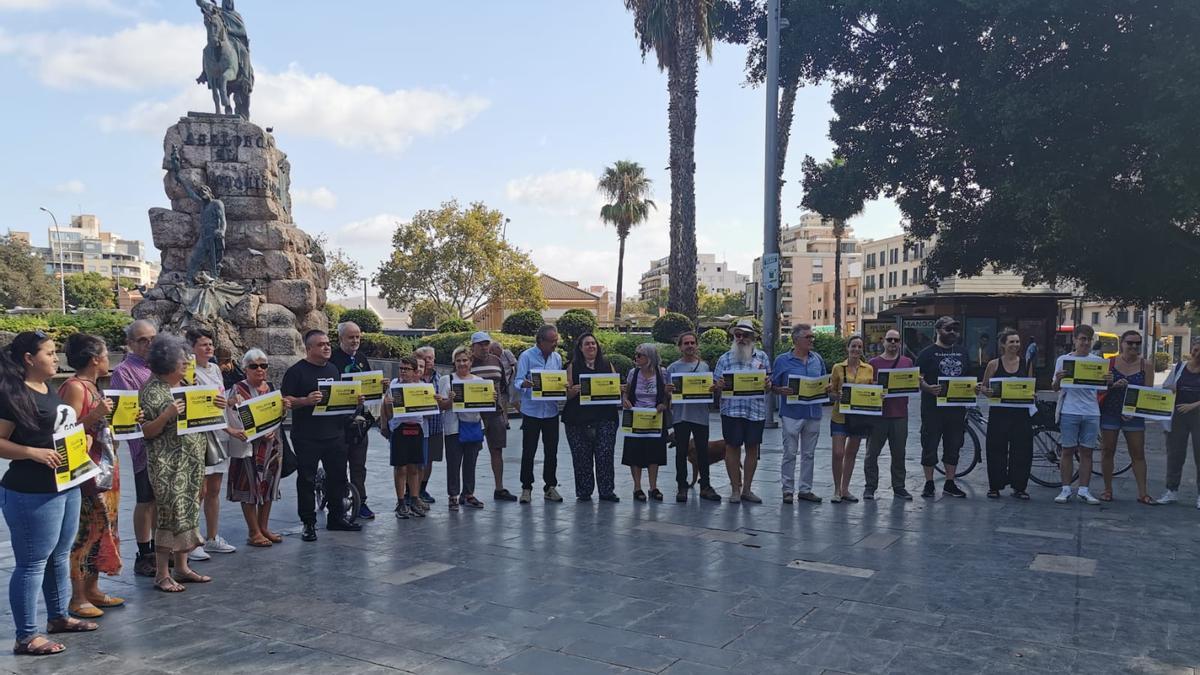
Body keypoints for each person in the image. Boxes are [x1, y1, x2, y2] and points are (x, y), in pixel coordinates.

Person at [1, 332, 99, 655]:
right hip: (32, 491)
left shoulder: (50, 389)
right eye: (49, 353)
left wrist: (79, 441)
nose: (56, 358)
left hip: (66, 483)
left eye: (55, 352)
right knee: (32, 563)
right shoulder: (12, 394)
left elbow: (57, 431)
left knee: (59, 555)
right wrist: (32, 452)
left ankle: (58, 616)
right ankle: (26, 635)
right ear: (29, 359)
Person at [140, 334, 219, 591]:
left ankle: (183, 567)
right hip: (167, 465)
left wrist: (219, 404)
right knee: (169, 515)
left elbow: (206, 417)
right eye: (182, 361)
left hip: (191, 461)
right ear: (168, 364)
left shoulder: (185, 385)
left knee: (188, 511)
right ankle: (163, 573)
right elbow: (147, 431)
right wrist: (167, 414)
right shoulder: (152, 391)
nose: (187, 365)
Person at [58, 335, 122, 619]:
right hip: (87, 471)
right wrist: (95, 414)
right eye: (106, 354)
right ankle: (78, 596)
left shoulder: (93, 386)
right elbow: (66, 431)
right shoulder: (73, 387)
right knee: (87, 531)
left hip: (105, 466)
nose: (109, 359)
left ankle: (93, 588)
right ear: (95, 359)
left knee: (103, 529)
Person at [281, 329, 362, 542]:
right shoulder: (296, 372)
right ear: (308, 349)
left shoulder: (333, 369)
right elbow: (285, 400)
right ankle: (308, 523)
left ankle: (337, 517)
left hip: (334, 433)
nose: (327, 347)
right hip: (307, 436)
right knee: (307, 479)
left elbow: (338, 399)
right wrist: (305, 401)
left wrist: (354, 401)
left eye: (327, 343)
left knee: (338, 477)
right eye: (321, 345)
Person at [223, 349, 289, 546]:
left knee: (268, 485)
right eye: (254, 366)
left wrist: (282, 411)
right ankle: (253, 531)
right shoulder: (237, 389)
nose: (259, 369)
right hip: (248, 446)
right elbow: (234, 416)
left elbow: (277, 415)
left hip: (271, 444)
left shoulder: (269, 387)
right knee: (249, 487)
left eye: (263, 365)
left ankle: (263, 527)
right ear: (245, 369)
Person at [108, 318, 158, 577]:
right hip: (144, 446)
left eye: (152, 338)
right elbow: (128, 411)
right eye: (142, 340)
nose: (149, 344)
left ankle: (162, 549)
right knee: (146, 500)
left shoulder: (161, 365)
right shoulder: (124, 371)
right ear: (130, 344)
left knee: (161, 500)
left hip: (166, 444)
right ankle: (144, 551)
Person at [183, 327, 235, 562]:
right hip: (200, 433)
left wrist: (228, 402)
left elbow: (220, 398)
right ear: (192, 348)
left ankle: (212, 536)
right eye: (203, 344)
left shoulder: (215, 368)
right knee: (199, 491)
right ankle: (191, 540)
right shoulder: (187, 370)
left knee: (214, 489)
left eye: (210, 344)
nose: (209, 348)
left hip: (219, 430)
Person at [713, 319, 772, 503]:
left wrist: (768, 385)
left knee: (753, 448)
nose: (741, 338)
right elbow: (714, 386)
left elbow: (768, 386)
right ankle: (735, 490)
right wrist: (719, 385)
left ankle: (747, 489)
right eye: (737, 335)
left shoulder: (762, 358)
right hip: (731, 411)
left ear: (752, 337)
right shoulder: (724, 359)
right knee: (732, 447)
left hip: (755, 410)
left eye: (745, 335)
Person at [769, 324, 826, 504]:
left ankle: (805, 489)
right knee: (790, 453)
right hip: (791, 413)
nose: (811, 340)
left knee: (809, 454)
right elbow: (772, 386)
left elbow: (824, 382)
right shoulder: (782, 360)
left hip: (813, 412)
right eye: (808, 337)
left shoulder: (817, 359)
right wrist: (780, 390)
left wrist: (827, 387)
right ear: (796, 340)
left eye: (812, 337)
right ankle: (787, 490)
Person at [1052, 324, 1108, 505]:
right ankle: (1065, 488)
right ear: (1075, 340)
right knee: (1067, 450)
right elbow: (1054, 387)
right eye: (1082, 339)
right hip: (1069, 410)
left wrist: (1109, 381)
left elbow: (1103, 388)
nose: (1085, 342)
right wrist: (1059, 379)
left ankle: (1084, 489)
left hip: (1091, 411)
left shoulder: (1097, 361)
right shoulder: (1063, 360)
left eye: (1088, 339)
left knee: (1087, 452)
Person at [917, 316, 971, 498]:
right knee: (929, 444)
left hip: (956, 409)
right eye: (949, 329)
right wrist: (927, 388)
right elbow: (917, 379)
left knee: (954, 445)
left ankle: (950, 482)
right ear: (938, 330)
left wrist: (975, 388)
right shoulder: (926, 353)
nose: (953, 333)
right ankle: (929, 482)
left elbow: (969, 378)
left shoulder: (963, 352)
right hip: (932, 410)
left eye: (955, 329)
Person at [1099, 330, 1156, 504]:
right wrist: (1112, 385)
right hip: (1110, 412)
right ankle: (1107, 490)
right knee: (1108, 451)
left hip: (1134, 415)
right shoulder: (1109, 363)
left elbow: (1148, 394)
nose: (1133, 346)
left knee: (1138, 453)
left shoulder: (1146, 365)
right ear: (1121, 343)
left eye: (1137, 343)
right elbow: (1099, 389)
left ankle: (1143, 493)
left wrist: (1134, 412)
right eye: (1130, 343)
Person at [381, 355, 441, 519]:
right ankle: (401, 502)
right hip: (399, 429)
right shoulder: (394, 385)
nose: (403, 372)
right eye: (401, 369)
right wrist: (386, 411)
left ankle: (414, 499)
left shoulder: (424, 387)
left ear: (416, 372)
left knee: (415, 467)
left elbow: (431, 412)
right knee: (400, 467)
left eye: (406, 369)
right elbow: (386, 409)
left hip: (417, 428)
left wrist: (436, 401)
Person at [563, 333, 620, 502]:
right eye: (587, 344)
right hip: (577, 420)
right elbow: (565, 393)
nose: (591, 347)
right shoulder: (572, 366)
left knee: (605, 455)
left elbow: (615, 389)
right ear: (580, 348)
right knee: (581, 457)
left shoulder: (607, 365)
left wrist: (620, 390)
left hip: (605, 418)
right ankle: (584, 491)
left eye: (593, 344)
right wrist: (571, 392)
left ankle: (606, 491)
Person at [330, 321, 376, 520]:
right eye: (351, 337)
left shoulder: (362, 358)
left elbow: (369, 385)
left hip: (359, 421)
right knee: (339, 464)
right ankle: (338, 500)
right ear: (341, 338)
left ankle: (360, 501)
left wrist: (377, 385)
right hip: (338, 421)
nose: (355, 340)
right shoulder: (331, 359)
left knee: (359, 464)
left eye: (358, 337)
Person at [667, 331, 721, 502]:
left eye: (692, 343)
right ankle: (681, 486)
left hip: (700, 415)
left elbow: (711, 389)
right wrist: (668, 392)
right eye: (686, 343)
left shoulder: (704, 367)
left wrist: (713, 389)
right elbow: (667, 393)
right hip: (681, 416)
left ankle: (705, 485)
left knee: (703, 451)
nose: (689, 346)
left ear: (696, 345)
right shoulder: (673, 368)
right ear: (680, 347)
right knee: (681, 452)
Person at [980, 330, 1033, 499]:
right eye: (1011, 342)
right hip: (999, 414)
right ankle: (995, 486)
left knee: (1022, 450)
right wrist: (986, 392)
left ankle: (1019, 487)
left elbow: (1031, 386)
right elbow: (983, 386)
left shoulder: (1026, 363)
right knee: (996, 449)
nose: (1015, 345)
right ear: (1003, 344)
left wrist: (1032, 395)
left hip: (1021, 414)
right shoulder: (994, 364)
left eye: (1017, 342)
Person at [515, 325, 565, 504]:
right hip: (532, 412)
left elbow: (559, 379)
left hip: (551, 411)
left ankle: (550, 487)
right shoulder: (527, 356)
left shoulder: (557, 358)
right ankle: (526, 488)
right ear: (540, 341)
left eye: (556, 340)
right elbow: (517, 381)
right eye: (552, 341)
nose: (555, 344)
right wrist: (525, 385)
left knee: (551, 451)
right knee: (529, 451)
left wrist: (562, 387)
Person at [864, 328, 913, 500]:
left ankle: (899, 487)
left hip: (900, 414)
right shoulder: (873, 363)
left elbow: (912, 383)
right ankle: (870, 486)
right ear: (883, 341)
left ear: (900, 343)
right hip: (878, 416)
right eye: (890, 340)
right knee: (872, 454)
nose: (893, 343)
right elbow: (866, 386)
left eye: (896, 340)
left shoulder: (907, 362)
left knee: (899, 454)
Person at [470, 332, 517, 502]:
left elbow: (503, 388)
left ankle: (499, 488)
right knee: (471, 452)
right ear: (473, 346)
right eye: (480, 344)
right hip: (474, 415)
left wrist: (504, 414)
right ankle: (468, 492)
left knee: (497, 450)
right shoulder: (467, 362)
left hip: (495, 412)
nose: (484, 347)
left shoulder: (496, 361)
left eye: (486, 344)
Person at [621, 343, 670, 501]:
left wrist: (664, 404)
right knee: (634, 452)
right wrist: (625, 400)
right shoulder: (633, 373)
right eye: (636, 354)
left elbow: (667, 394)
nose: (636, 357)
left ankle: (653, 486)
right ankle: (637, 487)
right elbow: (626, 393)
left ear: (649, 357)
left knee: (654, 453)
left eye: (639, 355)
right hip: (636, 418)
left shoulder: (662, 373)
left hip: (655, 418)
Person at [829, 335, 874, 503]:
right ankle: (836, 489)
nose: (856, 349)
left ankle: (845, 489)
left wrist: (877, 396)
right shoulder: (838, 368)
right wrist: (836, 395)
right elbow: (831, 394)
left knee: (851, 453)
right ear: (847, 348)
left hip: (859, 417)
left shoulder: (868, 368)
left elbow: (870, 391)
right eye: (853, 346)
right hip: (839, 415)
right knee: (838, 453)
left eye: (859, 346)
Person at [442, 346, 486, 510]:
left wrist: (491, 397)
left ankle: (468, 494)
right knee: (453, 463)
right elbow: (441, 406)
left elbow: (486, 406)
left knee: (471, 462)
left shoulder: (480, 382)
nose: (462, 364)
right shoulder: (447, 380)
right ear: (454, 362)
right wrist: (450, 400)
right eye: (458, 360)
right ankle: (453, 495)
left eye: (465, 360)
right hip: (454, 427)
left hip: (473, 425)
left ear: (471, 362)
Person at [1160, 339, 1200, 507]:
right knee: (1175, 454)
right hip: (1178, 416)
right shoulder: (1179, 367)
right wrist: (1171, 388)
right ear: (1191, 350)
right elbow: (1165, 387)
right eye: (1195, 350)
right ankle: (1171, 491)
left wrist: (1193, 405)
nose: (1197, 354)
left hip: (1197, 416)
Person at [416, 346, 443, 505]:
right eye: (425, 358)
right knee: (415, 461)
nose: (428, 361)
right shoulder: (413, 379)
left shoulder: (440, 378)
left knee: (429, 460)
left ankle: (422, 489)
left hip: (435, 425)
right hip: (416, 427)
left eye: (431, 358)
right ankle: (411, 491)